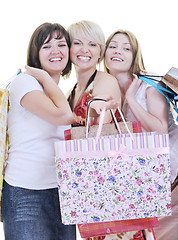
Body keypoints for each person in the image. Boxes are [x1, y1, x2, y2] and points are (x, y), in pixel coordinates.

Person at [2, 22, 76, 240]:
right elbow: (63, 116)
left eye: (61, 44)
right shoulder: (25, 82)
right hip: (27, 191)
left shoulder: (59, 93)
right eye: (46, 46)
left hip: (60, 190)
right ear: (35, 54)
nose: (55, 51)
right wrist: (43, 77)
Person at [104, 29, 178, 240]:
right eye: (113, 46)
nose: (118, 51)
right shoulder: (107, 88)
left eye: (126, 48)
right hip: (148, 178)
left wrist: (132, 99)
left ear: (134, 56)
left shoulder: (148, 85)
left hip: (171, 175)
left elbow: (160, 130)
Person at [67, 20, 121, 126]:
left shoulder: (106, 81)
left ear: (100, 52)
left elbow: (98, 131)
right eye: (77, 43)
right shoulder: (70, 93)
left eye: (92, 44)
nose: (85, 50)